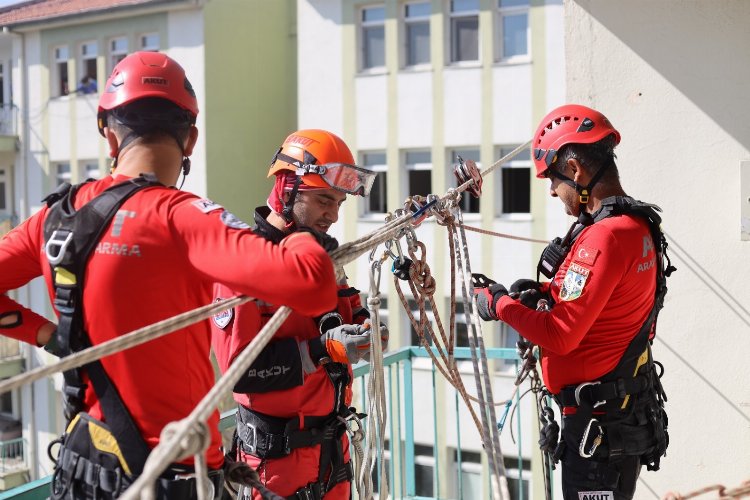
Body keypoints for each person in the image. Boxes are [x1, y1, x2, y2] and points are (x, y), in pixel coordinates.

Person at [0, 52, 339, 499]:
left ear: (108, 134)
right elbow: (312, 285)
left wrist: (47, 334)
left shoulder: (55, 217)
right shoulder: (184, 217)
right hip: (173, 474)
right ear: (191, 139)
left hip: (84, 469)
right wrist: (291, 226)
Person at [474, 104, 671, 500]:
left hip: (598, 430)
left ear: (576, 170)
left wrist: (497, 304)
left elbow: (560, 335)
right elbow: (599, 299)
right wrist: (542, 294)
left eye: (553, 178)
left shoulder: (603, 237)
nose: (551, 190)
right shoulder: (633, 226)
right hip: (615, 416)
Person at [211, 129, 388, 500]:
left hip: (331, 453)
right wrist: (322, 350)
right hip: (277, 466)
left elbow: (347, 313)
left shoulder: (319, 261)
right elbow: (239, 372)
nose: (333, 215)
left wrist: (366, 330)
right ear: (287, 188)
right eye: (325, 200)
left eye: (339, 203)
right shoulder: (244, 265)